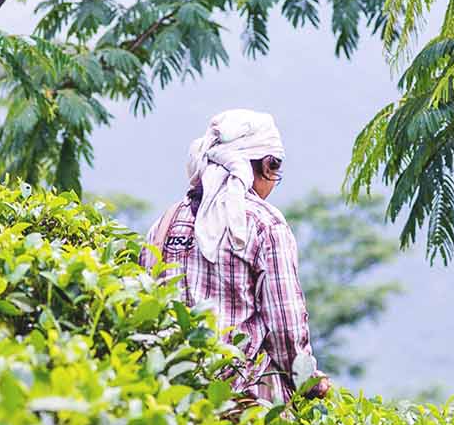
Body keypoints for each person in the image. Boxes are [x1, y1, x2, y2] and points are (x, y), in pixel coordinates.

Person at [141, 109, 329, 403]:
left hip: (172, 400)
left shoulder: (165, 223)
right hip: (244, 405)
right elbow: (285, 329)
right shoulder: (265, 224)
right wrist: (309, 380)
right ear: (266, 166)